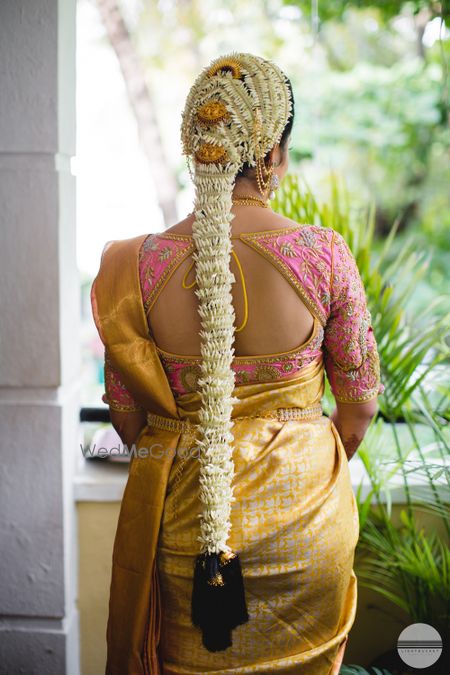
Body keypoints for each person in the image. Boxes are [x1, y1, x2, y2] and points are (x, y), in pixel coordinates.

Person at [91, 52, 384, 675]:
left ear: (195, 145)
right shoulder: (322, 254)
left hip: (185, 533)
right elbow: (357, 412)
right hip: (307, 528)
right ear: (273, 152)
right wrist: (296, 458)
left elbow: (128, 424)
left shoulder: (131, 268)